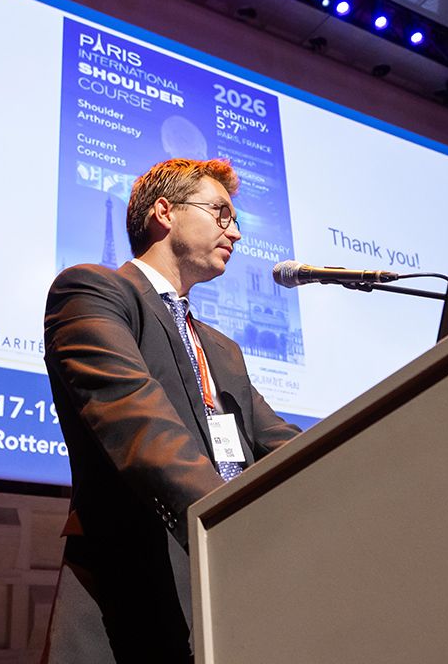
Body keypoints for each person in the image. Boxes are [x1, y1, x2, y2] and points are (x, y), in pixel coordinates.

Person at [42, 158, 302, 663]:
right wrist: (226, 524)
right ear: (165, 212)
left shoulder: (222, 348)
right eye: (221, 213)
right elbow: (140, 423)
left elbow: (278, 440)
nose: (236, 232)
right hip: (132, 587)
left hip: (230, 595)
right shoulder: (94, 291)